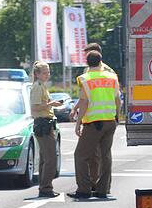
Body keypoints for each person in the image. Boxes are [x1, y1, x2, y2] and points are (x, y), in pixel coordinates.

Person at [69, 50, 122, 200]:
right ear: (101, 61)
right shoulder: (112, 77)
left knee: (80, 156)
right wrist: (117, 115)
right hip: (110, 122)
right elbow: (118, 100)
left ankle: (84, 189)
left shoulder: (85, 79)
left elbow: (84, 102)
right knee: (105, 156)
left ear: (87, 63)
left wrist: (78, 122)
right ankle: (103, 190)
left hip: (93, 123)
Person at [29, 61, 62, 198]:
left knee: (45, 158)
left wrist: (50, 104)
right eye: (44, 73)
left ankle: (44, 187)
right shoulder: (37, 87)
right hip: (42, 123)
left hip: (46, 123)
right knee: (50, 159)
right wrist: (51, 104)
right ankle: (46, 187)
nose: (47, 75)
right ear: (37, 74)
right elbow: (35, 107)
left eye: (48, 72)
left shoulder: (41, 86)